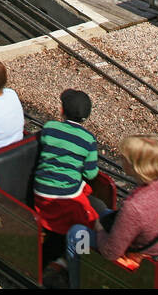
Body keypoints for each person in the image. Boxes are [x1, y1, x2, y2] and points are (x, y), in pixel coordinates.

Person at [96, 135, 158, 262]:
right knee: (106, 214)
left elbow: (110, 252)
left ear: (135, 165)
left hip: (154, 260)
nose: (120, 159)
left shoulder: (134, 206)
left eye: (124, 158)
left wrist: (100, 230)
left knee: (77, 233)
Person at [32, 90, 107, 234]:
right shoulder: (88, 139)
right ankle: (81, 252)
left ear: (61, 110)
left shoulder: (49, 127)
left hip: (41, 191)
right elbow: (91, 174)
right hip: (66, 196)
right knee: (89, 223)